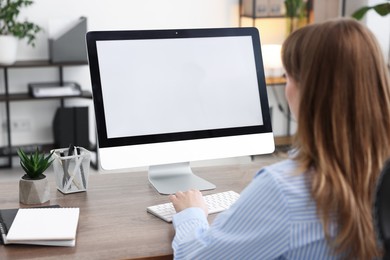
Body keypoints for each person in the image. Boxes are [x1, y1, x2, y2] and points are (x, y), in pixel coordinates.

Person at [168, 18, 390, 259]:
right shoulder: (381, 173)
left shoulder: (283, 191)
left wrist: (192, 213)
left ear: (308, 91)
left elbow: (196, 257)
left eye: (288, 77)